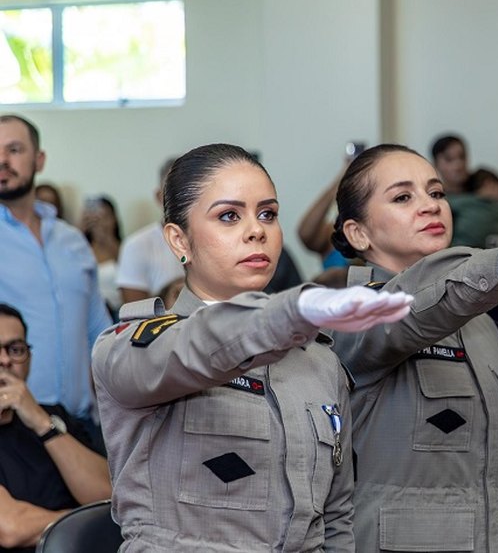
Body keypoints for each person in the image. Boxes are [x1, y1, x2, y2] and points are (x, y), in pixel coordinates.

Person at [92, 143, 414, 552]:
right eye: (229, 215)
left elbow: (335, 517)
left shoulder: (319, 361)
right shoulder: (133, 347)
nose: (256, 230)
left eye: (268, 214)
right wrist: (293, 311)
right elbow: (199, 345)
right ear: (179, 240)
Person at [327, 144, 498, 552]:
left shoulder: (480, 322)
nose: (430, 206)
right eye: (403, 197)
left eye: (436, 193)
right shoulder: (353, 313)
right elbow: (415, 308)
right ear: (358, 233)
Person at [0, 113, 112, 447]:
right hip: (11, 424)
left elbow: (99, 333)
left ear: (39, 159)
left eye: (14, 149)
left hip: (81, 422)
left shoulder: (72, 240)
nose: (2, 160)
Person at [0, 303, 112, 553]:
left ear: (29, 358)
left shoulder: (54, 416)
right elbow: (11, 528)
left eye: (16, 350)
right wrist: (90, 518)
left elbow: (108, 494)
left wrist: (42, 424)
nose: (5, 360)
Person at [116, 157, 184, 305]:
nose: (183, 198)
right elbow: (135, 312)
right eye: (174, 190)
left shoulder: (214, 238)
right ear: (159, 196)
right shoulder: (136, 246)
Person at [449, 167, 498, 248]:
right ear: (488, 184)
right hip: (462, 246)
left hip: (489, 247)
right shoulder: (466, 200)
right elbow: (447, 203)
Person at [80, 195, 123, 317]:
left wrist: (106, 239)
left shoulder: (123, 248)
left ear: (114, 219)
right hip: (88, 312)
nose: (101, 222)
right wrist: (79, 232)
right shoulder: (80, 249)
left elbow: (128, 269)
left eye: (105, 217)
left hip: (118, 312)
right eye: (96, 218)